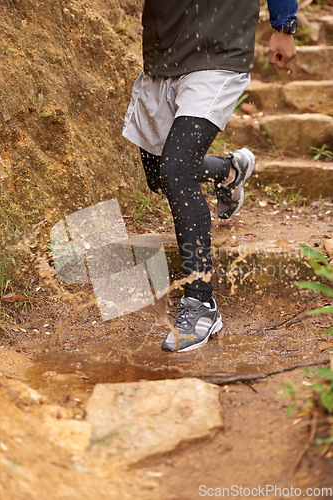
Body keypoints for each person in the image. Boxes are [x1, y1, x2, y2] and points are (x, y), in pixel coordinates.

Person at [122, 0, 298, 352]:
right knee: (159, 174)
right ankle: (230, 171)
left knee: (176, 169)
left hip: (217, 48)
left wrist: (283, 24)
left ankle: (201, 303)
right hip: (163, 52)